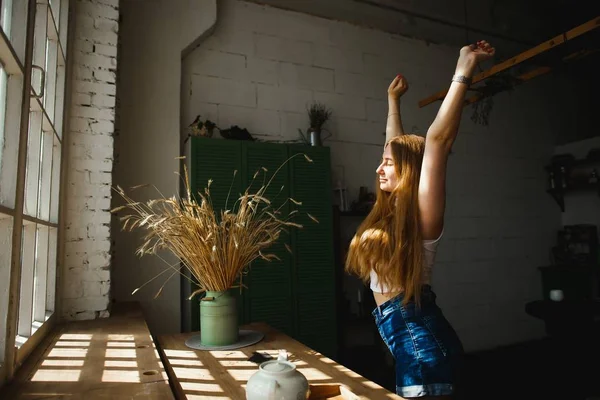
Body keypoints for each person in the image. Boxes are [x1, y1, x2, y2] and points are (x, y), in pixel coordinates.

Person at [345, 40, 496, 399]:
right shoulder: (393, 212)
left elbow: (437, 141)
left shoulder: (422, 214)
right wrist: (392, 102)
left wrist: (464, 68)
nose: (379, 167)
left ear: (409, 172)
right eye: (382, 160)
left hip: (423, 350)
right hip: (412, 341)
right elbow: (396, 145)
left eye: (389, 164)